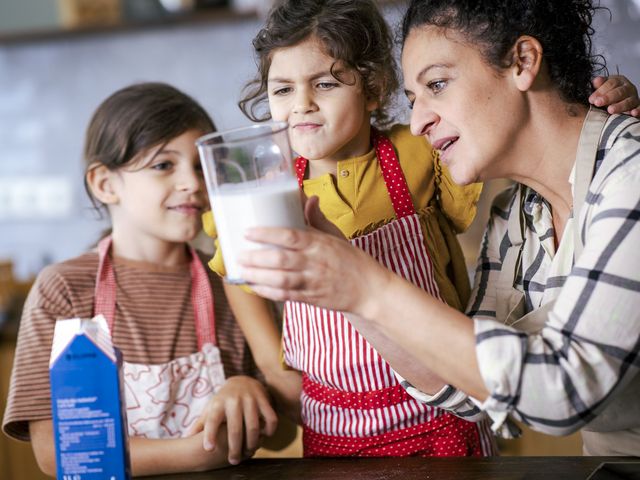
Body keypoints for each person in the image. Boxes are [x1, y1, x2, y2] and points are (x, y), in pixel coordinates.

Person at [205, 0, 638, 458]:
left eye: (437, 84)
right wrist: (344, 301)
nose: (416, 122)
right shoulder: (516, 215)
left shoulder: (626, 174)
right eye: (413, 99)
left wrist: (367, 287)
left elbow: (565, 390)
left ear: (523, 61)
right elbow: (468, 387)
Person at [1, 82, 278, 476]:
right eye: (164, 165)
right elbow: (56, 454)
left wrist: (248, 391)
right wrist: (196, 453)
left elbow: (280, 432)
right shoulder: (63, 290)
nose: (193, 183)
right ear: (105, 184)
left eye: (201, 165)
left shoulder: (231, 278)